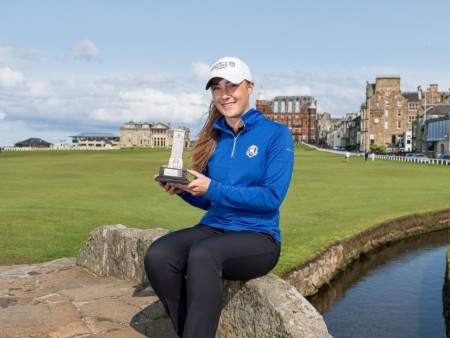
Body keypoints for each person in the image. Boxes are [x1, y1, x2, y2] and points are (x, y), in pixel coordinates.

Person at [144, 56, 294, 338]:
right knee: (158, 255)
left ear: (249, 87)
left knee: (203, 254)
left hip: (258, 236)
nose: (224, 94)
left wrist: (212, 188)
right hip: (214, 227)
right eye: (216, 88)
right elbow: (211, 200)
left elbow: (271, 197)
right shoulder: (216, 137)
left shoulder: (276, 134)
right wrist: (183, 191)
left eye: (232, 86)